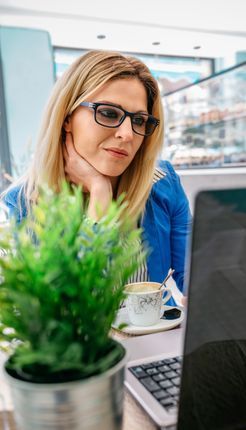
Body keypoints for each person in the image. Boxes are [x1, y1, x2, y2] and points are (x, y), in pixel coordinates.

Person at [1, 50, 191, 304]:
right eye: (109, 113)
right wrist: (99, 199)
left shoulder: (163, 182)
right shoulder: (25, 202)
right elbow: (61, 310)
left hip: (160, 342)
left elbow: (194, 275)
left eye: (139, 120)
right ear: (67, 118)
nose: (128, 134)